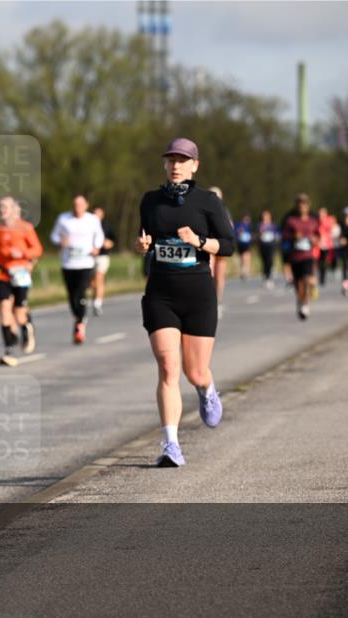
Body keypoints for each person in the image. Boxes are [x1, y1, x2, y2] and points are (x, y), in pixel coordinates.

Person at [134, 138, 233, 467]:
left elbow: (229, 245)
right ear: (164, 164)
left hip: (198, 295)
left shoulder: (208, 201)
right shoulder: (150, 201)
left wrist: (200, 241)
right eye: (171, 159)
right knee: (167, 367)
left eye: (183, 159)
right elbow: (146, 238)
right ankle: (170, 445)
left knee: (195, 371)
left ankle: (207, 389)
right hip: (161, 293)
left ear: (195, 165)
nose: (176, 165)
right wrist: (143, 244)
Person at [0, 196, 43, 366]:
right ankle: (9, 350)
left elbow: (37, 249)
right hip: (2, 273)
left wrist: (23, 254)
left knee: (19, 313)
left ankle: (26, 326)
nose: (2, 210)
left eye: (5, 207)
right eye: (0, 207)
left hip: (21, 272)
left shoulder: (25, 228)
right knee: (4, 309)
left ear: (14, 210)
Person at [51, 195, 104, 344]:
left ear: (86, 205)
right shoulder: (63, 219)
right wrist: (60, 241)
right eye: (75, 204)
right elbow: (54, 236)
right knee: (72, 294)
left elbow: (99, 235)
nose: (77, 207)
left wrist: (96, 247)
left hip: (86, 262)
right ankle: (78, 317)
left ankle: (80, 323)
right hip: (68, 262)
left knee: (81, 291)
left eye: (80, 204)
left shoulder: (92, 219)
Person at [281, 193, 320, 320]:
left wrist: (315, 240)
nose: (302, 207)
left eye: (304, 204)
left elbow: (319, 235)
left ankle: (305, 304)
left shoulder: (313, 221)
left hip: (308, 255)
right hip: (295, 256)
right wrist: (293, 237)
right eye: (300, 204)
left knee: (307, 279)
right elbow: (284, 236)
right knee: (298, 283)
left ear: (308, 206)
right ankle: (300, 300)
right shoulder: (291, 221)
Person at [207, 186, 232, 319]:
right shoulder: (203, 208)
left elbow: (230, 228)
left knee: (219, 276)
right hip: (208, 246)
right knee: (208, 273)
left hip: (221, 246)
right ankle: (209, 302)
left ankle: (218, 302)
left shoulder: (224, 211)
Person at [90, 205, 118, 315]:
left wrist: (109, 243)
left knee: (99, 277)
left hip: (103, 256)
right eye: (95, 213)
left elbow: (114, 240)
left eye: (98, 213)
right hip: (89, 257)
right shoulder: (87, 225)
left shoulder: (106, 225)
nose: (96, 216)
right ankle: (95, 300)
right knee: (92, 283)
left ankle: (97, 303)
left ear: (102, 214)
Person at [257, 210, 280, 288]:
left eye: (267, 216)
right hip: (263, 245)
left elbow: (277, 234)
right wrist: (260, 233)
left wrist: (276, 238)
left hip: (271, 245)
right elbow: (256, 235)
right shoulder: (260, 225)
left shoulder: (273, 225)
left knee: (270, 260)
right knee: (264, 261)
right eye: (264, 216)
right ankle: (265, 275)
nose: (265, 217)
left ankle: (269, 277)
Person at [316, 206, 335, 291]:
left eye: (323, 213)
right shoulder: (316, 221)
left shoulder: (328, 220)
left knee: (324, 261)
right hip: (318, 245)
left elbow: (330, 228)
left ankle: (323, 278)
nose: (321, 215)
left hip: (327, 245)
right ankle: (320, 276)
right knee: (318, 262)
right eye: (320, 213)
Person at [233, 214, 253, 280]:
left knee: (246, 256)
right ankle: (243, 271)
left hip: (247, 243)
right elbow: (234, 233)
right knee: (242, 257)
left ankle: (246, 271)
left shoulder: (249, 226)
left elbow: (252, 234)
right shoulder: (238, 225)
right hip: (240, 243)